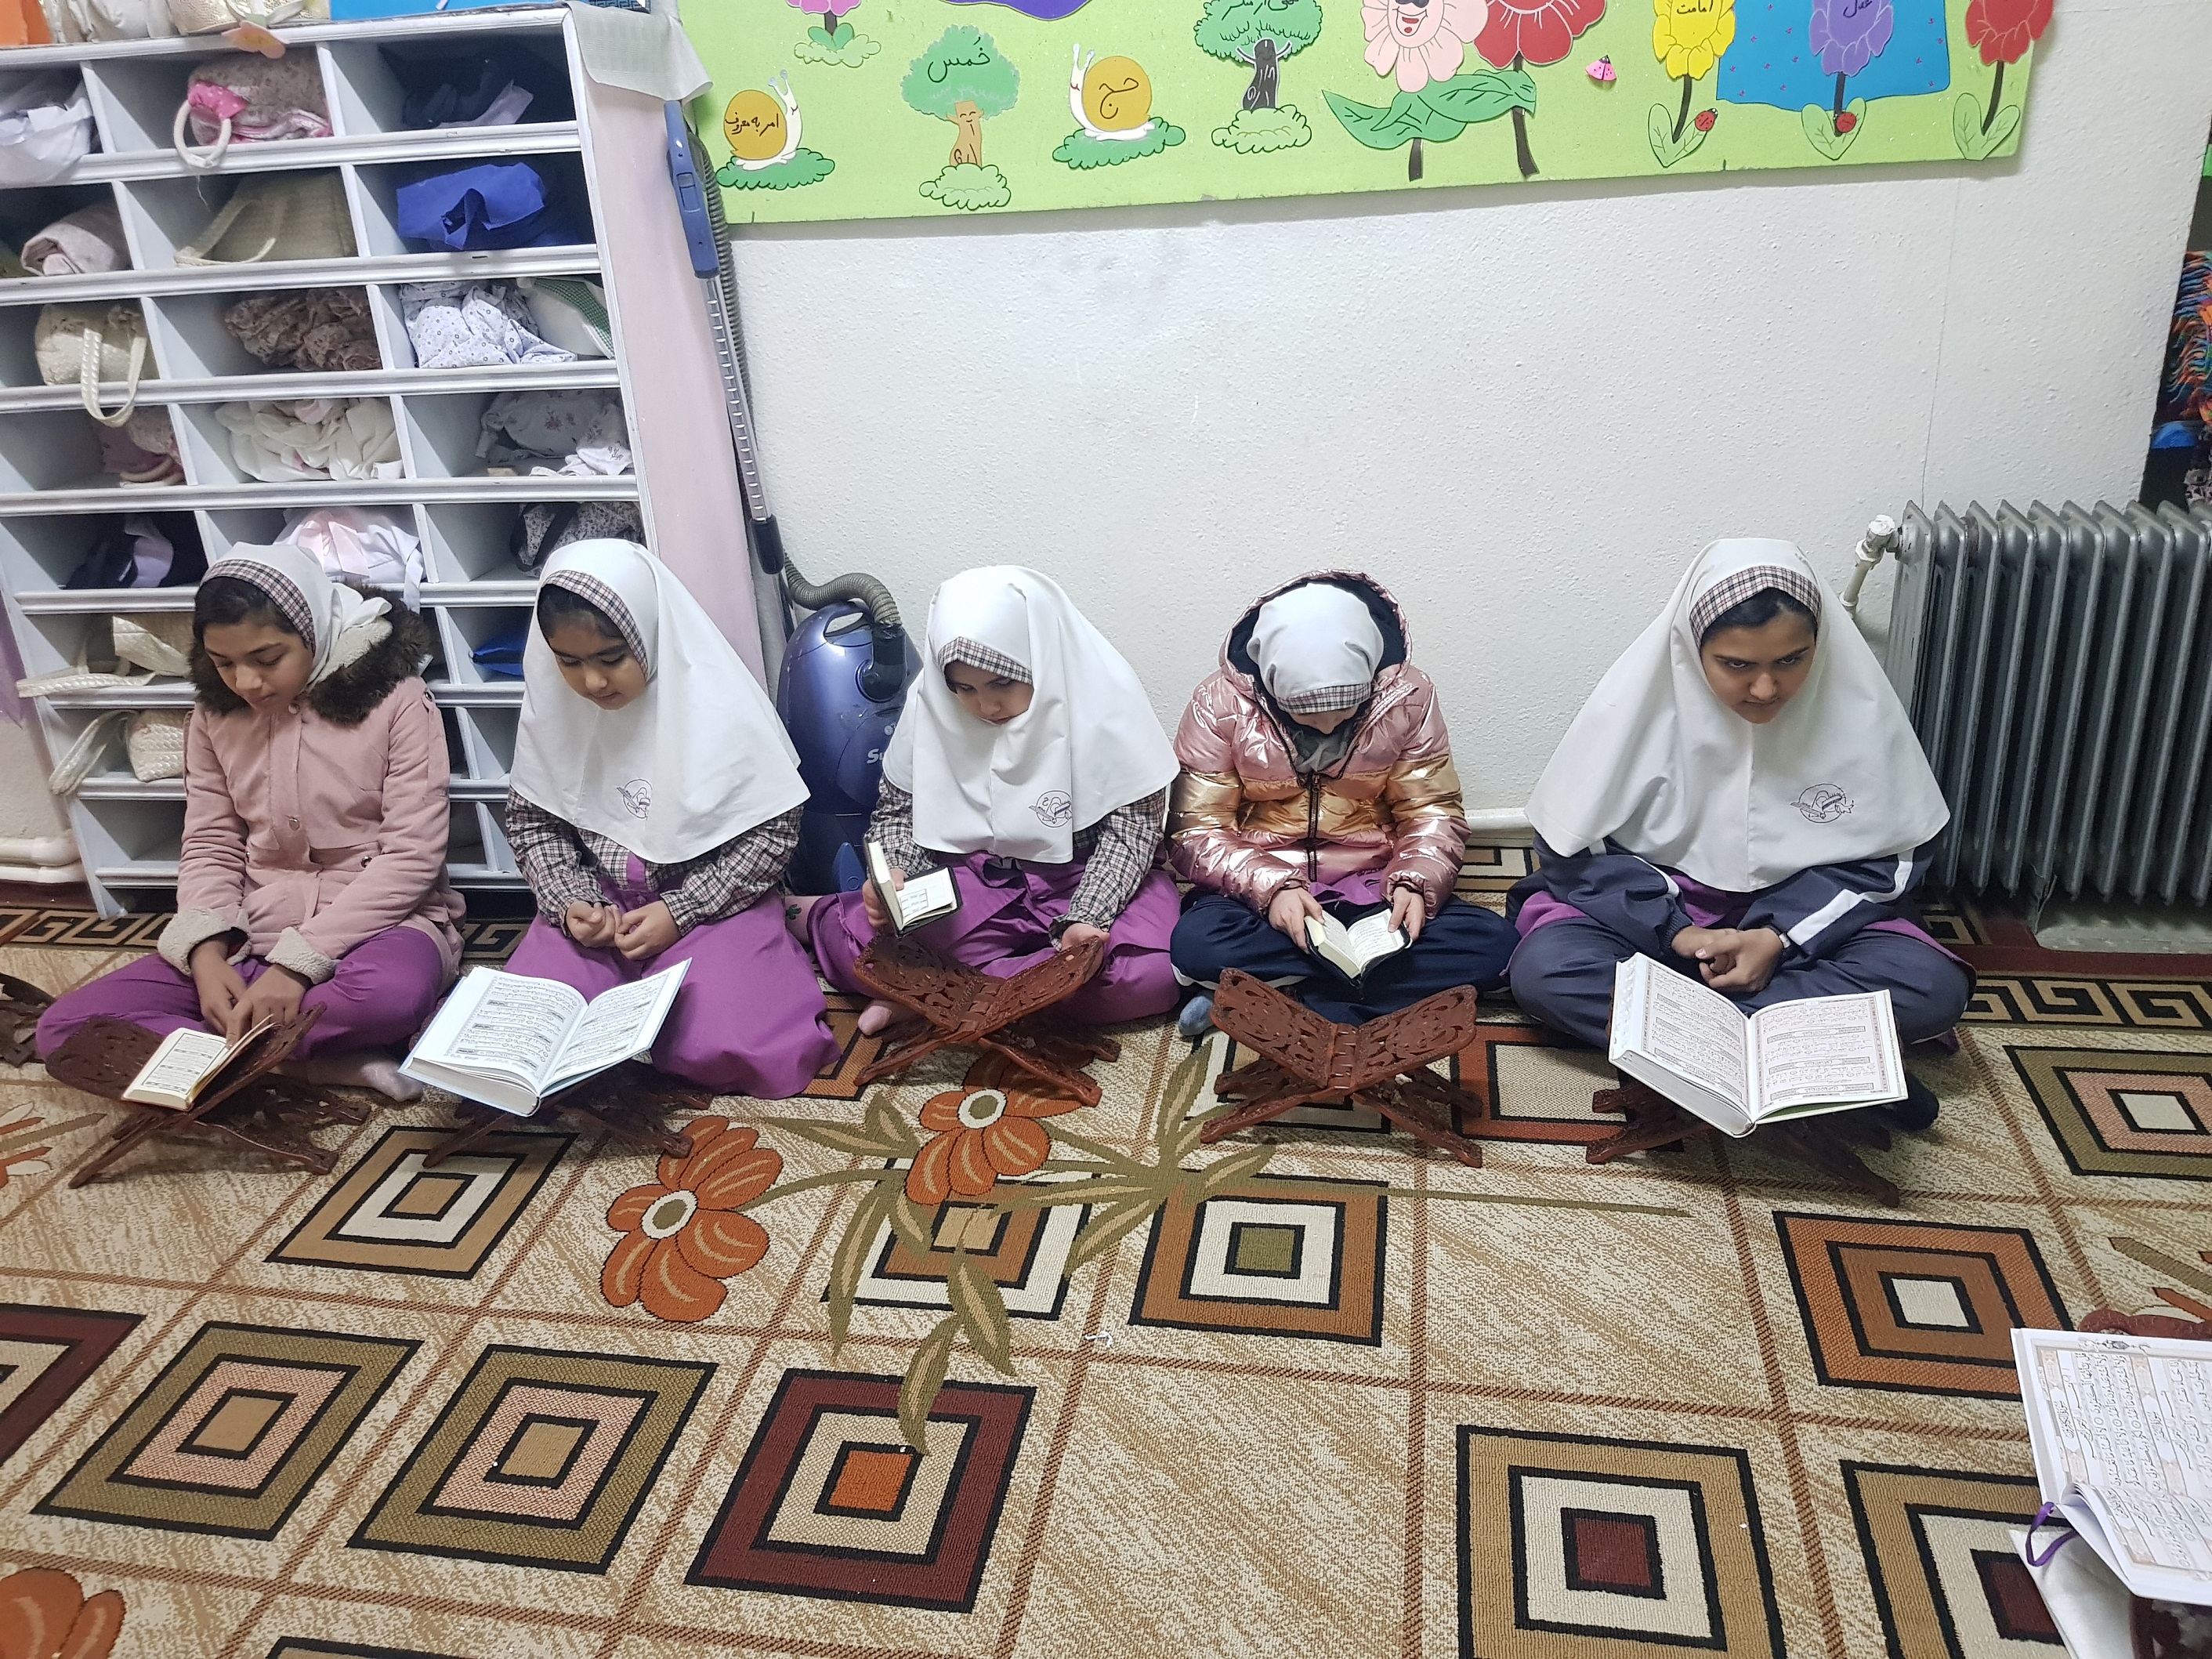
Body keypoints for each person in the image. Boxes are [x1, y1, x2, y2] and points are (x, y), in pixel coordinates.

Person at [1507, 538, 1969, 1128]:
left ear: (1820, 646)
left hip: (1808, 926)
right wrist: (1678, 932)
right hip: (1662, 925)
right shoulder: (1631, 713)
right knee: (1549, 969)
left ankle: (1687, 1039)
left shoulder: (1860, 715)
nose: (1766, 690)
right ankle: (1817, 1051)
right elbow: (1573, 851)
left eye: (1791, 660)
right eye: (1737, 665)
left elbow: (1893, 856)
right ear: (1690, 648)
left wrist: (1777, 938)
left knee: (1930, 986)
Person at [36, 543, 462, 1099]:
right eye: (224, 663)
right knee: (65, 1029)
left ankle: (220, 1055)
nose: (246, 682)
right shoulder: (212, 715)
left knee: (389, 999)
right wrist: (206, 952)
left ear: (313, 631)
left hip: (380, 929)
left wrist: (296, 967)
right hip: (252, 929)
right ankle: (303, 1064)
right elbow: (211, 842)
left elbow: (410, 857)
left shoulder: (399, 701)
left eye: (267, 658)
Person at [502, 539, 839, 1098]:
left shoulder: (717, 705)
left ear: (650, 634)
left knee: (739, 1044)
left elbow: (771, 832)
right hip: (604, 910)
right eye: (569, 662)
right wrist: (573, 903)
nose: (592, 683)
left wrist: (680, 911)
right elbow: (534, 823)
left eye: (611, 657)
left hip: (712, 907)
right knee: (522, 1043)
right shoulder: (557, 710)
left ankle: (771, 944)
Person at [791, 565, 1182, 1031]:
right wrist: (895, 873)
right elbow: (897, 815)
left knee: (1150, 975)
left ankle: (929, 994)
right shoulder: (931, 706)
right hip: (976, 878)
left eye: (1003, 684)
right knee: (860, 944)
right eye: (965, 689)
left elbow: (1131, 836)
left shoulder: (1108, 704)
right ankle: (975, 989)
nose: (986, 707)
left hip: (1086, 878)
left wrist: (1086, 918)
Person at [1166, 571, 1516, 1034]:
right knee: (1198, 945)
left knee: (1496, 945)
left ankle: (1281, 991)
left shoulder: (1408, 697)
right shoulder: (1218, 704)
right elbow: (1196, 830)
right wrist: (1273, 889)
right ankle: (1364, 993)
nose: (1328, 728)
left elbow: (1431, 812)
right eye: (1305, 714)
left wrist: (1413, 882)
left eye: (1346, 711)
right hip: (1262, 893)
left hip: (1373, 885)